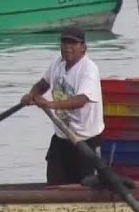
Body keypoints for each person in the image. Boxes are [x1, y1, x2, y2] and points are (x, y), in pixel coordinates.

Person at [21, 25, 105, 185]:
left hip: (85, 141)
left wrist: (50, 104)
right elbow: (42, 85)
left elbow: (81, 100)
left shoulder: (89, 69)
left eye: (73, 43)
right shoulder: (57, 65)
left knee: (86, 188)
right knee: (54, 184)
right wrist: (31, 95)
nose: (68, 47)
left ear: (83, 48)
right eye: (65, 43)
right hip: (61, 139)